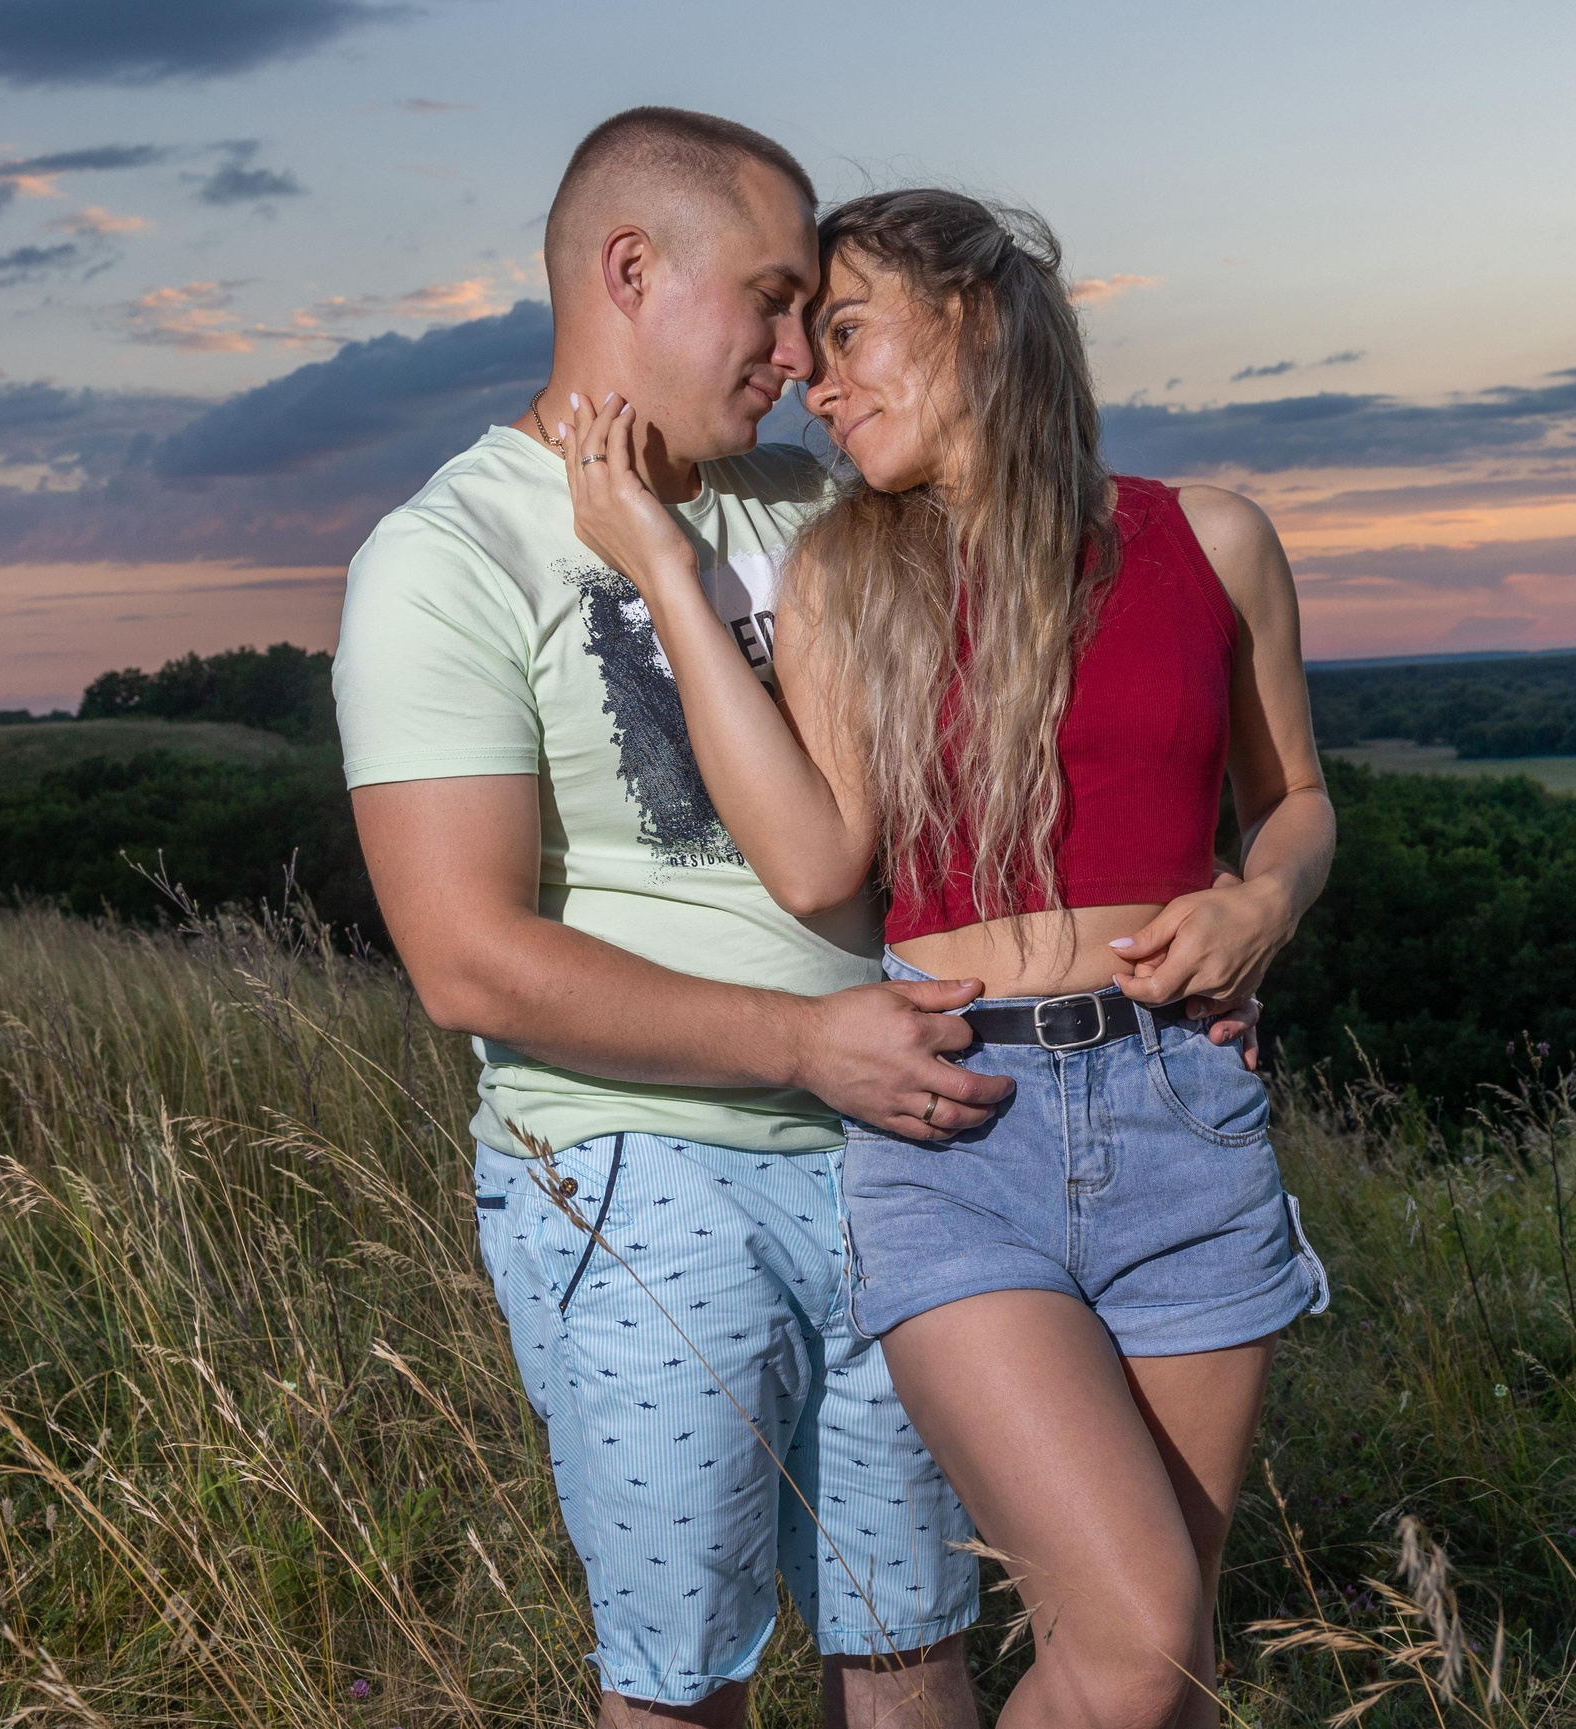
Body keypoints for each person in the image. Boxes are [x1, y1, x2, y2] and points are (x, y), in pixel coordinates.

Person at [560, 187, 1336, 1729]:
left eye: (843, 332)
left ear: (975, 313)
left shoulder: (1215, 539)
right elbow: (817, 863)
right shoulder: (848, 572)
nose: (816, 381)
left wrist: (1263, 907)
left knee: (1159, 1673)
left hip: (1183, 1114)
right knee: (1139, 1632)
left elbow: (1298, 802)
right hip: (961, 1131)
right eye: (800, 348)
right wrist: (661, 567)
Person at [334, 109, 1018, 1728]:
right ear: (631, 269)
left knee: (914, 1635)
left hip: (897, 1161)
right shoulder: (442, 557)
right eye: (773, 299)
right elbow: (464, 955)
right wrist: (802, 1041)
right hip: (642, 1182)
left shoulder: (807, 501)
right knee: (679, 1676)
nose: (799, 352)